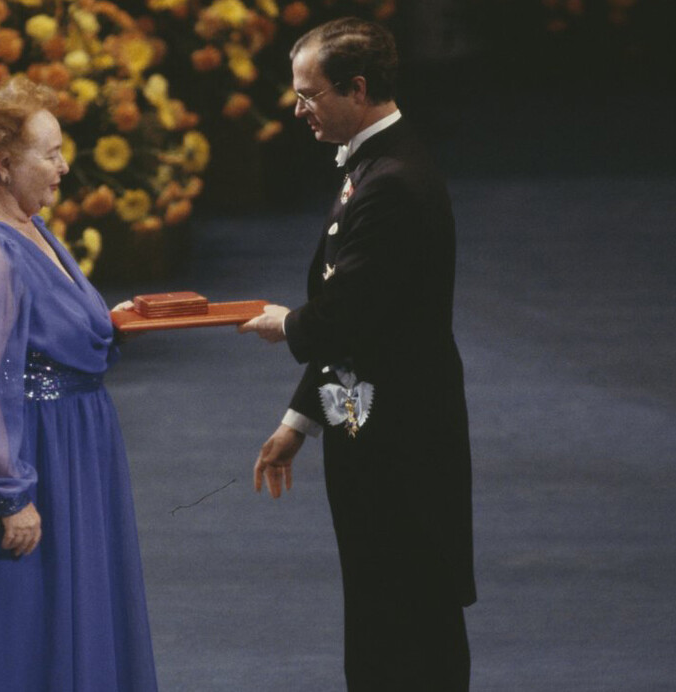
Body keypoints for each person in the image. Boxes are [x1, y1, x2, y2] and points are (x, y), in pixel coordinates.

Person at [238, 18, 476, 691]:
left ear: (358, 88)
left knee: (409, 613)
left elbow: (345, 318)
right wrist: (298, 423)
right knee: (382, 606)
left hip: (400, 439)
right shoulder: (376, 165)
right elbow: (362, 331)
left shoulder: (391, 180)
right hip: (373, 425)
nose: (298, 110)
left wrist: (289, 323)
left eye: (309, 95)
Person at [0, 77, 157, 692]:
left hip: (62, 447)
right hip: (21, 453)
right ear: (2, 163)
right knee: (23, 638)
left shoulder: (22, 221)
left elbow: (38, 329)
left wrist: (109, 326)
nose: (63, 167)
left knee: (61, 626)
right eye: (49, 155)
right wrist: (8, 492)